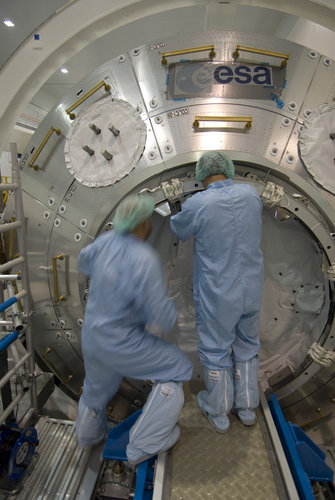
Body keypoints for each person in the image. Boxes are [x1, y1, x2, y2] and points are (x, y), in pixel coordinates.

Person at [76, 194, 192, 464]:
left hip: (93, 337)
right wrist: (177, 315)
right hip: (123, 343)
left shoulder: (103, 242)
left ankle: (86, 438)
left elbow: (83, 262)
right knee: (179, 368)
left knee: (95, 390)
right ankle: (143, 444)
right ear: (142, 224)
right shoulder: (144, 259)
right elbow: (161, 317)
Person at [170, 151, 264, 433]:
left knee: (216, 347)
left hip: (219, 293)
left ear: (200, 176)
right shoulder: (251, 194)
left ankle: (218, 410)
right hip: (252, 287)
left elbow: (179, 229)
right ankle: (247, 408)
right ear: (229, 169)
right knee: (248, 344)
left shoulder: (199, 203)